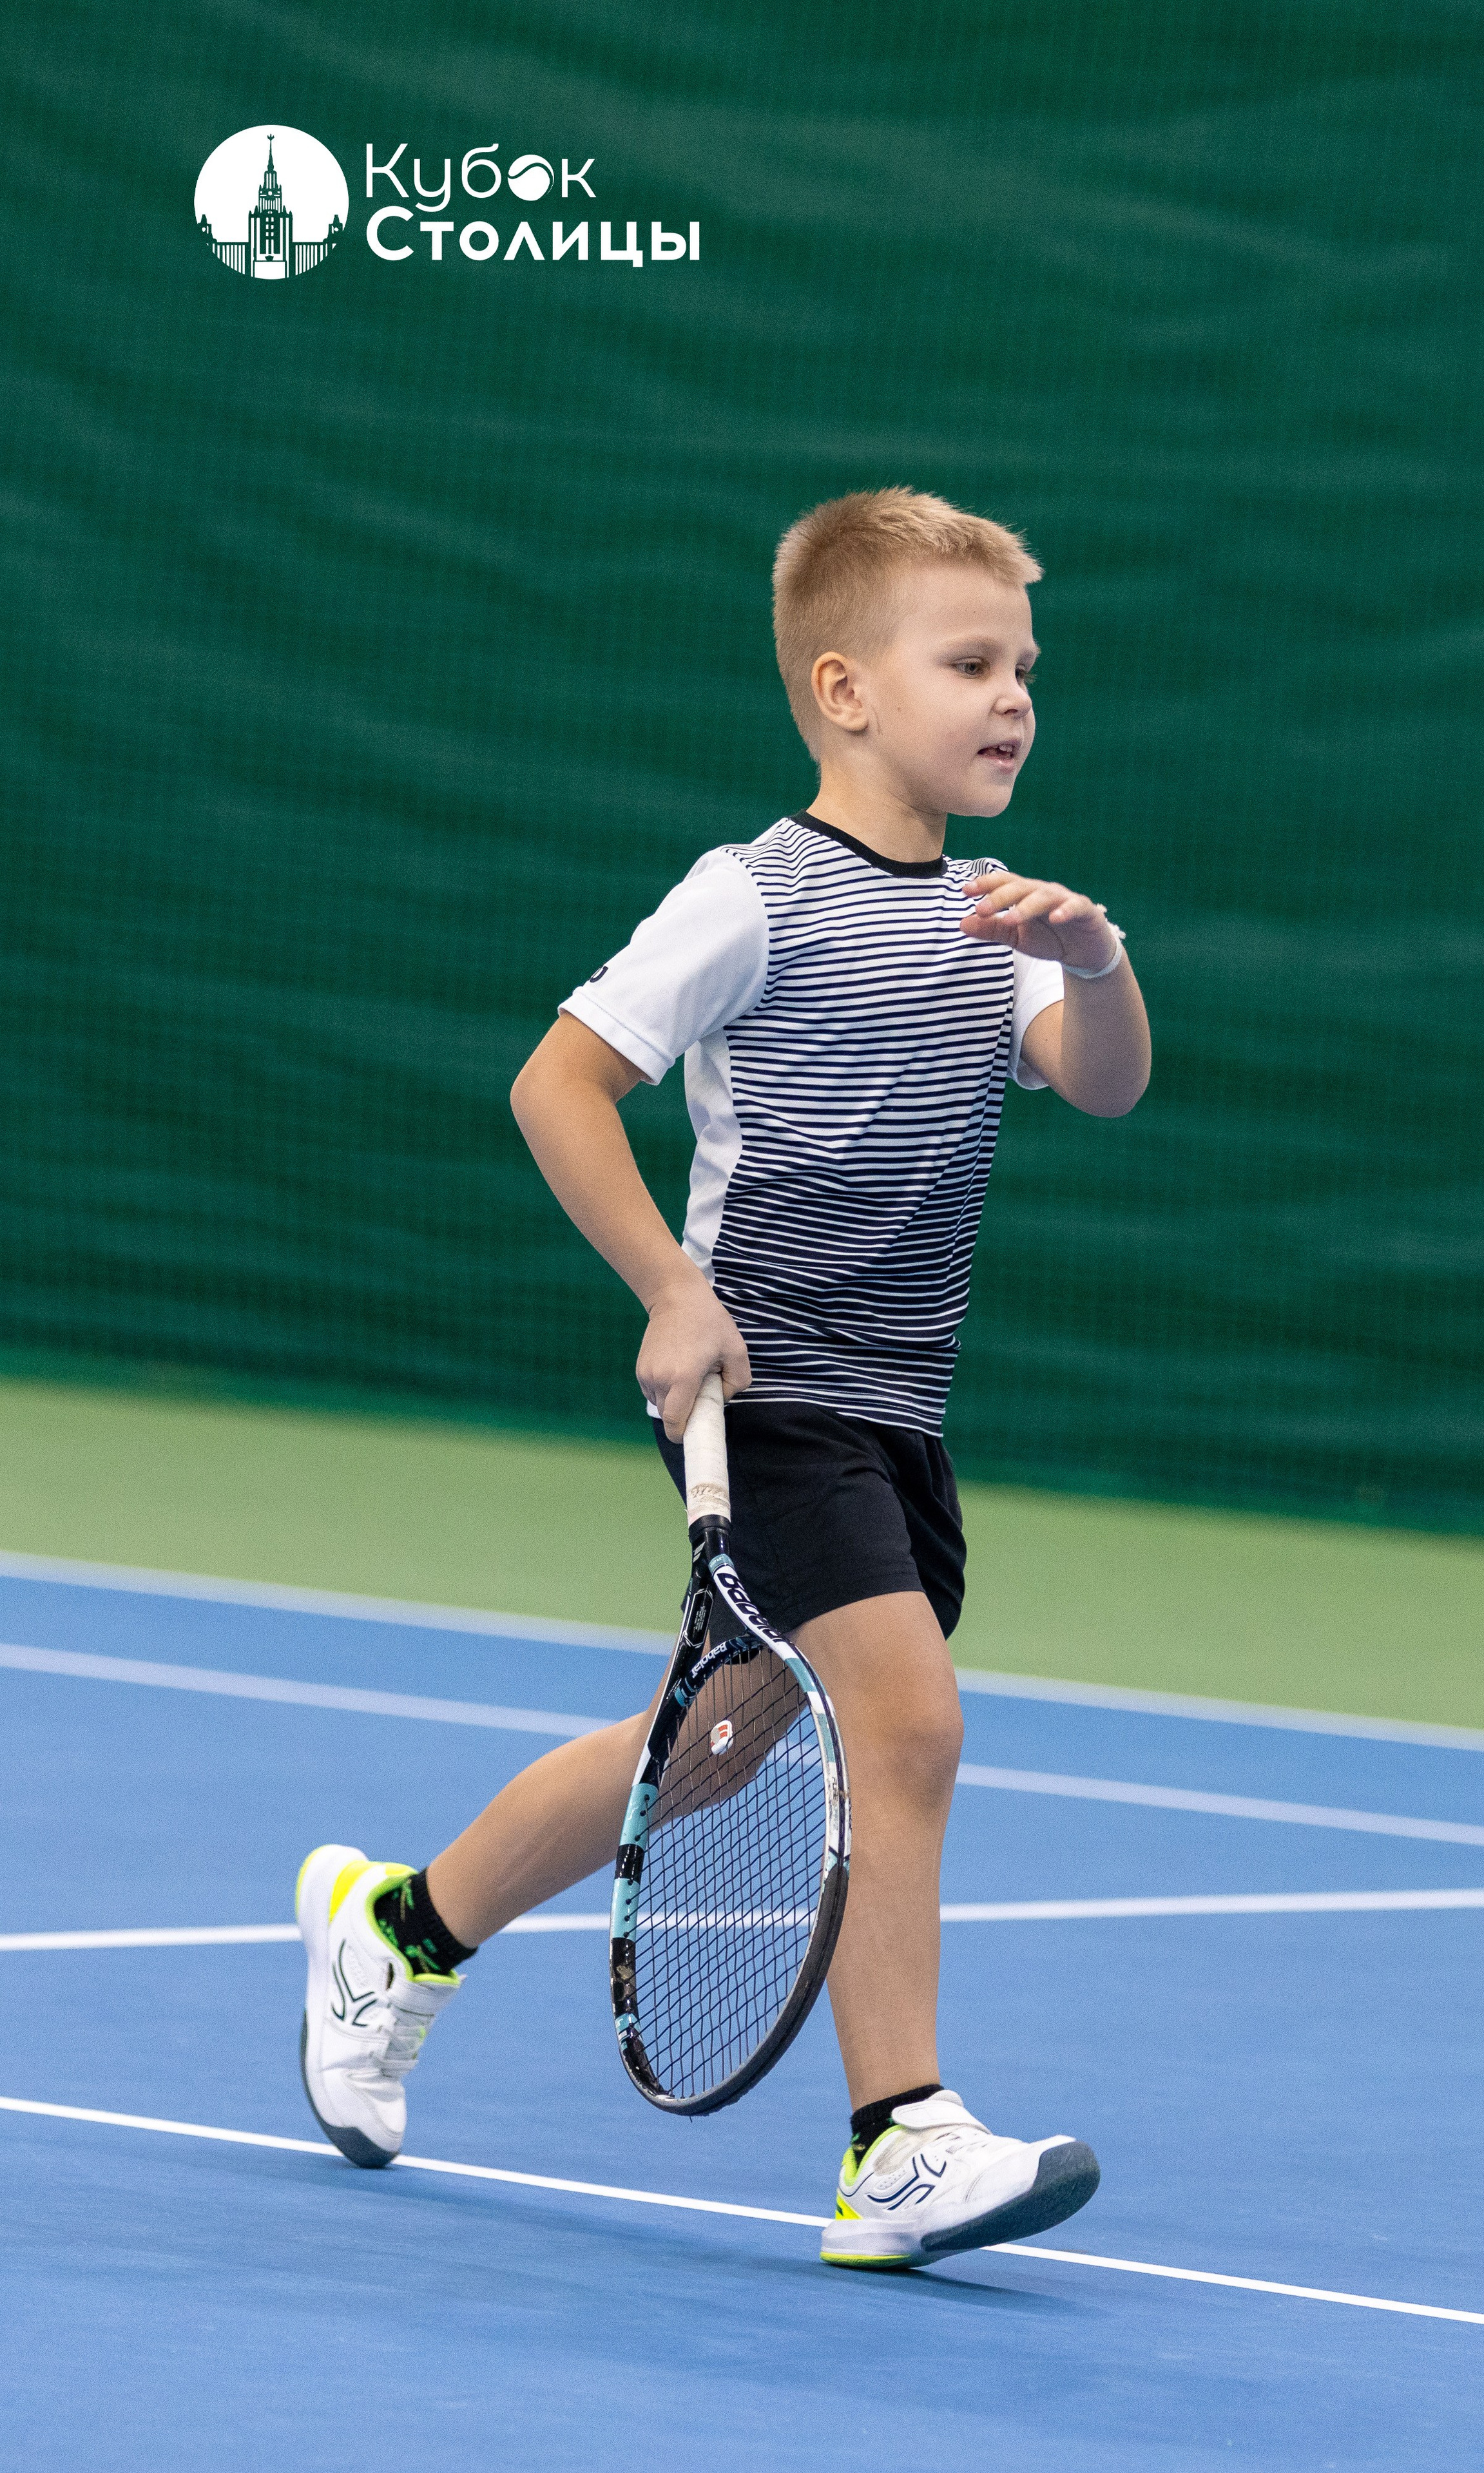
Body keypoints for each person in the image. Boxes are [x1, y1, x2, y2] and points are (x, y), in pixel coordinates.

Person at [296, 486, 1152, 2267]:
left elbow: (1102, 1079)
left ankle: (404, 1927)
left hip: (898, 1410)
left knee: (710, 1754)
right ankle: (898, 2141)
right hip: (765, 1396)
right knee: (907, 1728)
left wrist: (1099, 961)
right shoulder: (749, 896)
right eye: (971, 661)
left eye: (1028, 669)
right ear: (844, 689)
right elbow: (560, 1083)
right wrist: (672, 1288)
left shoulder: (996, 923)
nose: (1014, 699)